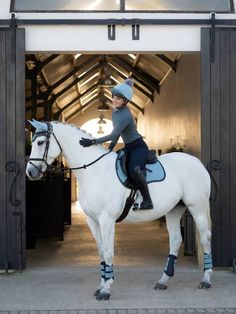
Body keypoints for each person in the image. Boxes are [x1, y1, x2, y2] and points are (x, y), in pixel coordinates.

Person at [79, 78, 153, 210]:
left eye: (119, 99)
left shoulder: (125, 115)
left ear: (125, 101)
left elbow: (113, 134)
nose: (114, 100)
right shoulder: (115, 112)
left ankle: (147, 200)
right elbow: (117, 133)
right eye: (114, 97)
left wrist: (93, 141)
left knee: (135, 170)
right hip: (129, 147)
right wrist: (111, 148)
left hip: (138, 146)